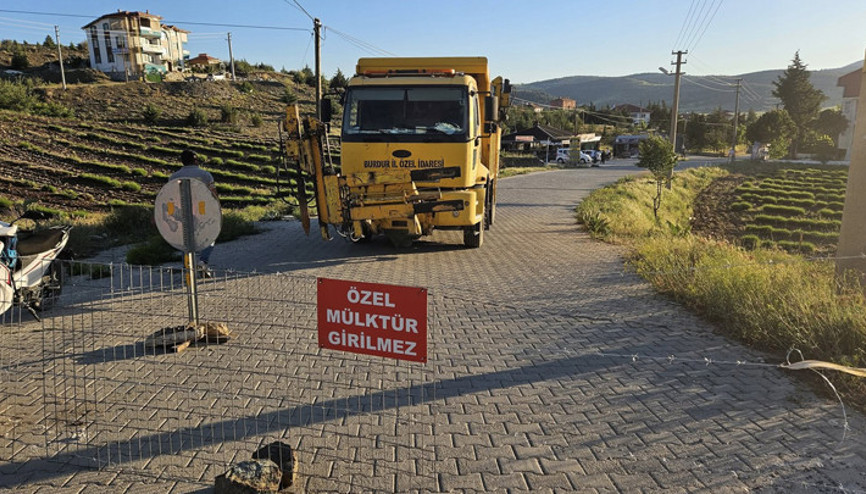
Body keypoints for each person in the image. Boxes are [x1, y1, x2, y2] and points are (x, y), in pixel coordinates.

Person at [169, 150, 217, 277]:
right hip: (202, 211)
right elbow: (213, 194)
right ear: (195, 161)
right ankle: (203, 262)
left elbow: (170, 197)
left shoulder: (174, 177)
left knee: (186, 241)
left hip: (183, 212)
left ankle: (188, 269)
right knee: (210, 236)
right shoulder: (205, 175)